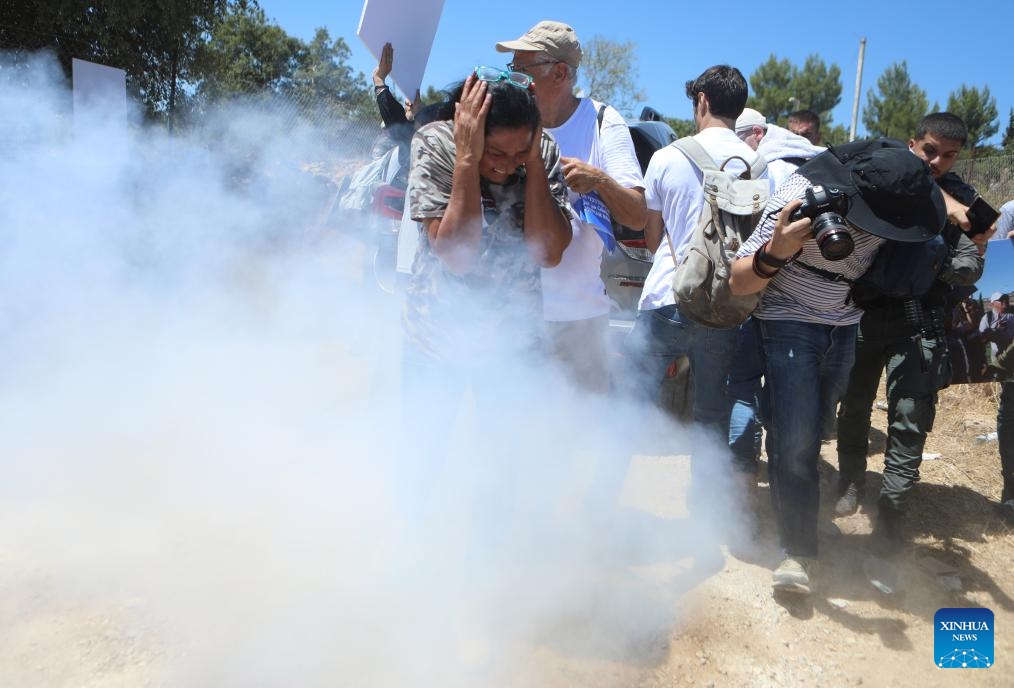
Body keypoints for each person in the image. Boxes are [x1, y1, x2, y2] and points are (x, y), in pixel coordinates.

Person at [729, 145, 946, 594]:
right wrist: (778, 249)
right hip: (787, 320)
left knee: (815, 428)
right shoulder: (799, 194)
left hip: (846, 326)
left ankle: (799, 502)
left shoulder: (904, 206)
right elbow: (738, 280)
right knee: (795, 441)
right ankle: (798, 551)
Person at [399, 69, 573, 527]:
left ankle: (488, 574)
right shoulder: (437, 144)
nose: (506, 164)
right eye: (496, 152)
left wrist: (533, 165)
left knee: (501, 469)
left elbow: (550, 252)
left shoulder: (540, 154)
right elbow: (457, 255)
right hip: (434, 341)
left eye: (519, 152)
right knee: (420, 461)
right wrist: (465, 160)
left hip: (514, 350)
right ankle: (403, 557)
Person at [835, 115, 985, 556]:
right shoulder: (879, 182)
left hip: (918, 323)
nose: (937, 161)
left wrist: (936, 262)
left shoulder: (962, 202)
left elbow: (974, 261)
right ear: (912, 144)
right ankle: (849, 483)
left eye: (950, 155)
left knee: (908, 418)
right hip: (862, 316)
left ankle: (893, 510)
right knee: (855, 405)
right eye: (930, 151)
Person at [624, 65, 763, 506]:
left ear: (701, 100)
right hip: (728, 306)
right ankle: (706, 511)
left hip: (669, 296)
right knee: (710, 412)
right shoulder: (760, 167)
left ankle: (605, 502)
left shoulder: (668, 156)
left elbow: (650, 237)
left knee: (628, 402)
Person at [495, 21, 646, 392]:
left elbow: (638, 214)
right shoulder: (510, 122)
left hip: (578, 321)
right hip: (510, 316)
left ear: (559, 73)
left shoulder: (601, 122)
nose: (511, 80)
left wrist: (600, 181)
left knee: (581, 436)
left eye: (519, 71)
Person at [728, 109, 825, 477]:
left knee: (742, 386)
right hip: (801, 306)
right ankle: (783, 473)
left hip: (754, 289)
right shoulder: (820, 166)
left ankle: (742, 478)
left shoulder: (763, 168)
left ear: (758, 133)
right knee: (789, 396)